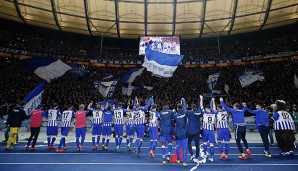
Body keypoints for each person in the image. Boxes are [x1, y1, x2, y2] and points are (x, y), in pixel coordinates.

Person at [181, 98, 202, 162]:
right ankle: (197, 156)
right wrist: (200, 101)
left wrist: (183, 102)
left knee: (189, 143)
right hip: (197, 131)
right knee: (197, 145)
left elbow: (184, 110)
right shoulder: (199, 112)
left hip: (190, 131)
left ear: (191, 107)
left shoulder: (190, 112)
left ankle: (192, 154)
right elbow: (201, 110)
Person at [199, 95, 216, 163]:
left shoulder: (204, 113)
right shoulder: (213, 113)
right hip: (211, 130)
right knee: (211, 144)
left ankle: (205, 155)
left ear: (206, 108)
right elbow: (214, 107)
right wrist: (213, 100)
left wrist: (201, 99)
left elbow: (201, 106)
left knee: (205, 143)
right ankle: (212, 157)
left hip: (205, 130)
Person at [173, 102, 188, 167]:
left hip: (178, 133)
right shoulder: (185, 113)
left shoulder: (175, 115)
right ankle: (184, 162)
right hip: (184, 133)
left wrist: (173, 112)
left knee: (178, 147)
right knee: (184, 148)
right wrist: (183, 101)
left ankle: (178, 159)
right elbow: (185, 109)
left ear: (177, 108)